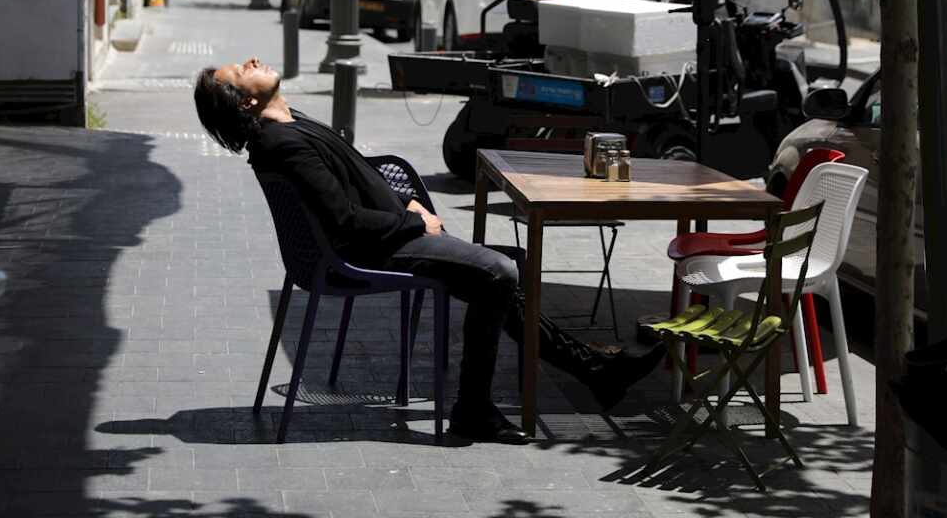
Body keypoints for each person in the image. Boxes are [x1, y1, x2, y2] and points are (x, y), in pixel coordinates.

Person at [194, 58, 666, 443]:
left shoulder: (291, 124)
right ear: (248, 101)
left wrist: (405, 200)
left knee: (495, 279)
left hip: (388, 233)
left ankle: (587, 372)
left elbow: (358, 178)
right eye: (242, 70)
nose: (252, 60)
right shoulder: (282, 143)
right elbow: (345, 221)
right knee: (498, 272)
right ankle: (486, 406)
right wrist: (414, 220)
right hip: (368, 250)